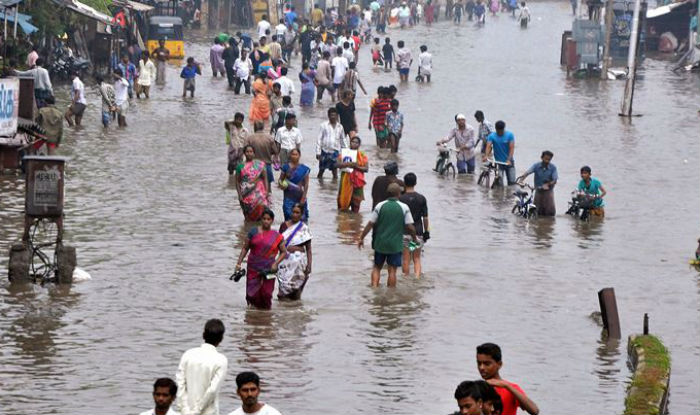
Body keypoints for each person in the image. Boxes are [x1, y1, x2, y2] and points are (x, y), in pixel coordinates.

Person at [358, 183, 417, 288]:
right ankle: (391, 294)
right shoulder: (404, 207)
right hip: (395, 244)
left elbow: (370, 223)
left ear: (387, 193)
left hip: (380, 243)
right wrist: (414, 239)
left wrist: (361, 238)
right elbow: (410, 227)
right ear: (399, 193)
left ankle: (374, 288)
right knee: (392, 271)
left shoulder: (380, 206)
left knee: (377, 267)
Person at [235, 209, 287, 309]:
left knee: (267, 294)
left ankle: (266, 318)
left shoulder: (277, 236)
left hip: (270, 269)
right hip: (253, 269)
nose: (266, 221)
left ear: (272, 220)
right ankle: (252, 317)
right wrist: (238, 263)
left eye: (268, 219)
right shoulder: (253, 232)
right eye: (264, 219)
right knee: (252, 295)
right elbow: (245, 248)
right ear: (261, 219)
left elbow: (284, 252)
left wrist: (276, 263)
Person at [176, 319, 228, 415]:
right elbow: (212, 390)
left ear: (203, 335)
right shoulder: (221, 360)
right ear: (221, 339)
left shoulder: (188, 354)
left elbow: (180, 385)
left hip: (185, 412)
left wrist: (185, 410)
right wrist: (197, 411)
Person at [476, 343, 539, 415]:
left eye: (487, 364)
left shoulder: (511, 388)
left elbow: (534, 411)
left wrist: (506, 386)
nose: (482, 368)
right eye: (479, 363)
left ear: (499, 364)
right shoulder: (476, 388)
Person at [276, 203, 313, 300]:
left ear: (301, 214)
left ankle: (296, 311)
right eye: (293, 212)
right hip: (285, 263)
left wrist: (309, 265)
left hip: (299, 265)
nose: (295, 214)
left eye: (297, 213)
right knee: (282, 293)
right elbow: (279, 244)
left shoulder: (304, 228)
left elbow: (308, 249)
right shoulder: (284, 226)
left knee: (297, 292)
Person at [399, 173, 429, 277]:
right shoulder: (421, 198)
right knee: (416, 258)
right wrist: (427, 231)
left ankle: (406, 280)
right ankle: (417, 278)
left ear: (404, 183)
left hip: (405, 233)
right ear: (415, 183)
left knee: (406, 259)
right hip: (418, 233)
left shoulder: (400, 199)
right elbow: (425, 218)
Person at [235, 144, 271, 221]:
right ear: (244, 153)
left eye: (251, 151)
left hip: (259, 192)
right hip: (246, 194)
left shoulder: (260, 164)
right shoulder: (240, 166)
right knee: (248, 216)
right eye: (247, 151)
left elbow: (265, 178)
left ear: (254, 153)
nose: (249, 153)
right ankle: (247, 229)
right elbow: (237, 182)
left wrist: (267, 191)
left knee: (262, 209)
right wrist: (240, 195)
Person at [516, 150, 558, 216]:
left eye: (549, 159)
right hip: (538, 190)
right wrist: (521, 180)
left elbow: (555, 180)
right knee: (536, 211)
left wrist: (548, 184)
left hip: (548, 192)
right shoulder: (536, 166)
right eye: (546, 159)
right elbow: (527, 172)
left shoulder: (553, 168)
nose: (547, 161)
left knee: (550, 212)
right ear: (542, 158)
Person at [337, 136, 368, 212]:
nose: (354, 144)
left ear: (359, 145)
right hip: (345, 180)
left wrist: (355, 166)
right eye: (352, 142)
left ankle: (355, 222)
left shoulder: (362, 155)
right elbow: (337, 164)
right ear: (350, 143)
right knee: (342, 205)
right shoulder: (344, 153)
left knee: (356, 205)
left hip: (357, 182)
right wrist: (347, 164)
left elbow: (366, 169)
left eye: (356, 142)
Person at [315, 107, 347, 179]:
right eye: (331, 115)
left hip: (335, 152)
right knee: (321, 170)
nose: (333, 117)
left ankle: (334, 187)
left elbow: (343, 140)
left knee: (335, 171)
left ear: (337, 116)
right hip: (325, 151)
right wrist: (318, 152)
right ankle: (320, 185)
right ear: (328, 116)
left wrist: (346, 151)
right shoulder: (323, 125)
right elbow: (319, 139)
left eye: (334, 115)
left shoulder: (340, 127)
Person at [483, 120, 516, 185]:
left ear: (504, 128)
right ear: (496, 129)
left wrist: (509, 159)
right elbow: (488, 146)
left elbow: (511, 148)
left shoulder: (510, 135)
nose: (500, 132)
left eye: (501, 131)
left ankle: (509, 194)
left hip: (509, 162)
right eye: (498, 131)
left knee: (512, 182)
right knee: (499, 181)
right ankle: (499, 193)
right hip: (498, 163)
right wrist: (486, 155)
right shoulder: (492, 136)